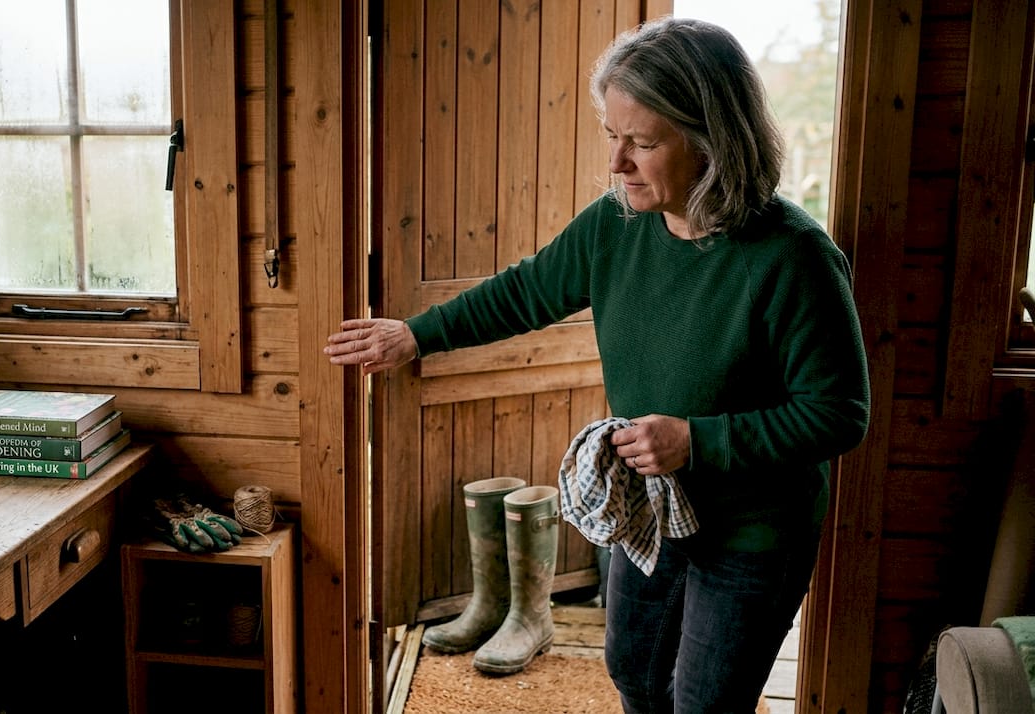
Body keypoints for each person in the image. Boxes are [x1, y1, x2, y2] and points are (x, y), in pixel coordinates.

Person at [325, 15, 870, 714]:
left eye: (642, 142)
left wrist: (696, 441)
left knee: (705, 704)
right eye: (613, 137)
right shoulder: (616, 223)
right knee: (635, 674)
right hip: (649, 508)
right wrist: (415, 335)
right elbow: (525, 291)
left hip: (755, 533)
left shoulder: (794, 258)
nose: (617, 163)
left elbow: (839, 415)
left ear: (714, 142)